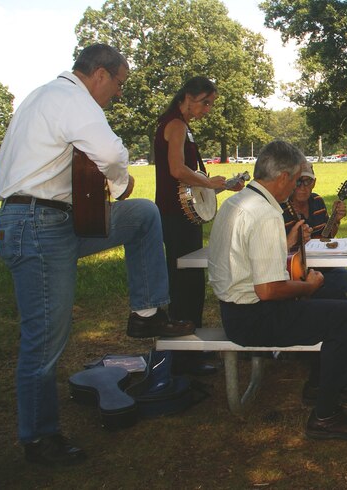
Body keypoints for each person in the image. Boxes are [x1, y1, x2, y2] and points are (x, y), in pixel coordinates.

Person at [0, 44, 194, 466]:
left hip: (54, 220)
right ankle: (39, 439)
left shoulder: (45, 95)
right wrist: (120, 185)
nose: (119, 93)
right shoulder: (71, 97)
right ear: (99, 74)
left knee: (141, 215)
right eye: (119, 83)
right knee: (44, 341)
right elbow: (113, 154)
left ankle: (146, 313)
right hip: (38, 225)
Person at [208, 140, 347, 440]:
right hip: (254, 317)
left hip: (234, 312)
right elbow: (269, 290)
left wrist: (287, 242)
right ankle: (326, 414)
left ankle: (327, 381)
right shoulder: (266, 214)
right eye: (297, 179)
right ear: (283, 177)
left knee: (338, 292)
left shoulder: (238, 202)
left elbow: (251, 257)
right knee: (345, 316)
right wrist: (307, 286)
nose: (299, 185)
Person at [154, 76, 239, 376]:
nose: (207, 109)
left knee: (190, 284)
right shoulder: (175, 125)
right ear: (188, 96)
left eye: (211, 105)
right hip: (174, 216)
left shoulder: (181, 126)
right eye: (205, 102)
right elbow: (178, 170)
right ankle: (184, 356)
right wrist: (207, 181)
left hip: (184, 215)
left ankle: (192, 351)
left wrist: (220, 186)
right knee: (184, 284)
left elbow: (187, 179)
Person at [280, 161, 347, 403]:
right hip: (292, 271)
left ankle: (334, 372)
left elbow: (325, 237)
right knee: (342, 295)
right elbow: (277, 248)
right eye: (299, 181)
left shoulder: (317, 202)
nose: (304, 187)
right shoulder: (282, 207)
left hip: (319, 267)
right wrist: (293, 240)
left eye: (309, 181)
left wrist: (335, 220)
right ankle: (338, 376)